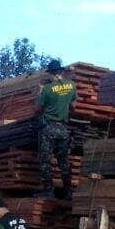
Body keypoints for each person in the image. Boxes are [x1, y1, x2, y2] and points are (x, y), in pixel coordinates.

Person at [33, 59, 77, 200]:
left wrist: (39, 93)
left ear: (51, 73)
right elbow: (74, 107)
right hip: (63, 129)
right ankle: (68, 191)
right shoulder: (72, 85)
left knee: (45, 160)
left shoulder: (47, 89)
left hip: (49, 128)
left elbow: (37, 110)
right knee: (63, 161)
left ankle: (49, 192)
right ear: (61, 72)